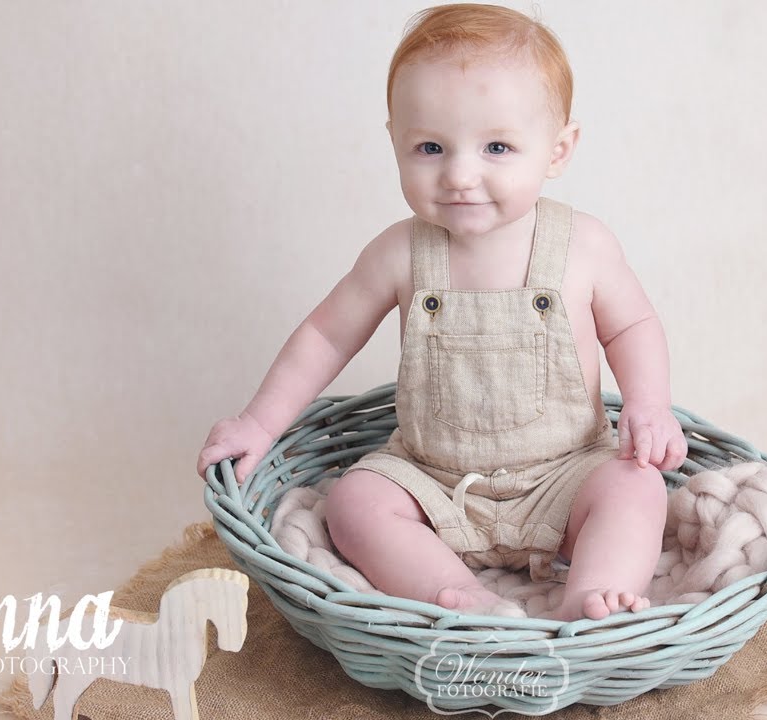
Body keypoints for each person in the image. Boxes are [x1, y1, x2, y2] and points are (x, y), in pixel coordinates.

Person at [197, 3, 686, 622]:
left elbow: (632, 326)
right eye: (430, 146)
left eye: (497, 147)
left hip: (564, 476)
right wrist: (259, 425)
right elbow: (325, 335)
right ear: (395, 142)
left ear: (558, 150)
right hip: (431, 482)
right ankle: (455, 595)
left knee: (637, 486)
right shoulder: (400, 251)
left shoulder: (583, 246)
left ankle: (594, 594)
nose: (459, 174)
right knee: (353, 504)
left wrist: (648, 405)